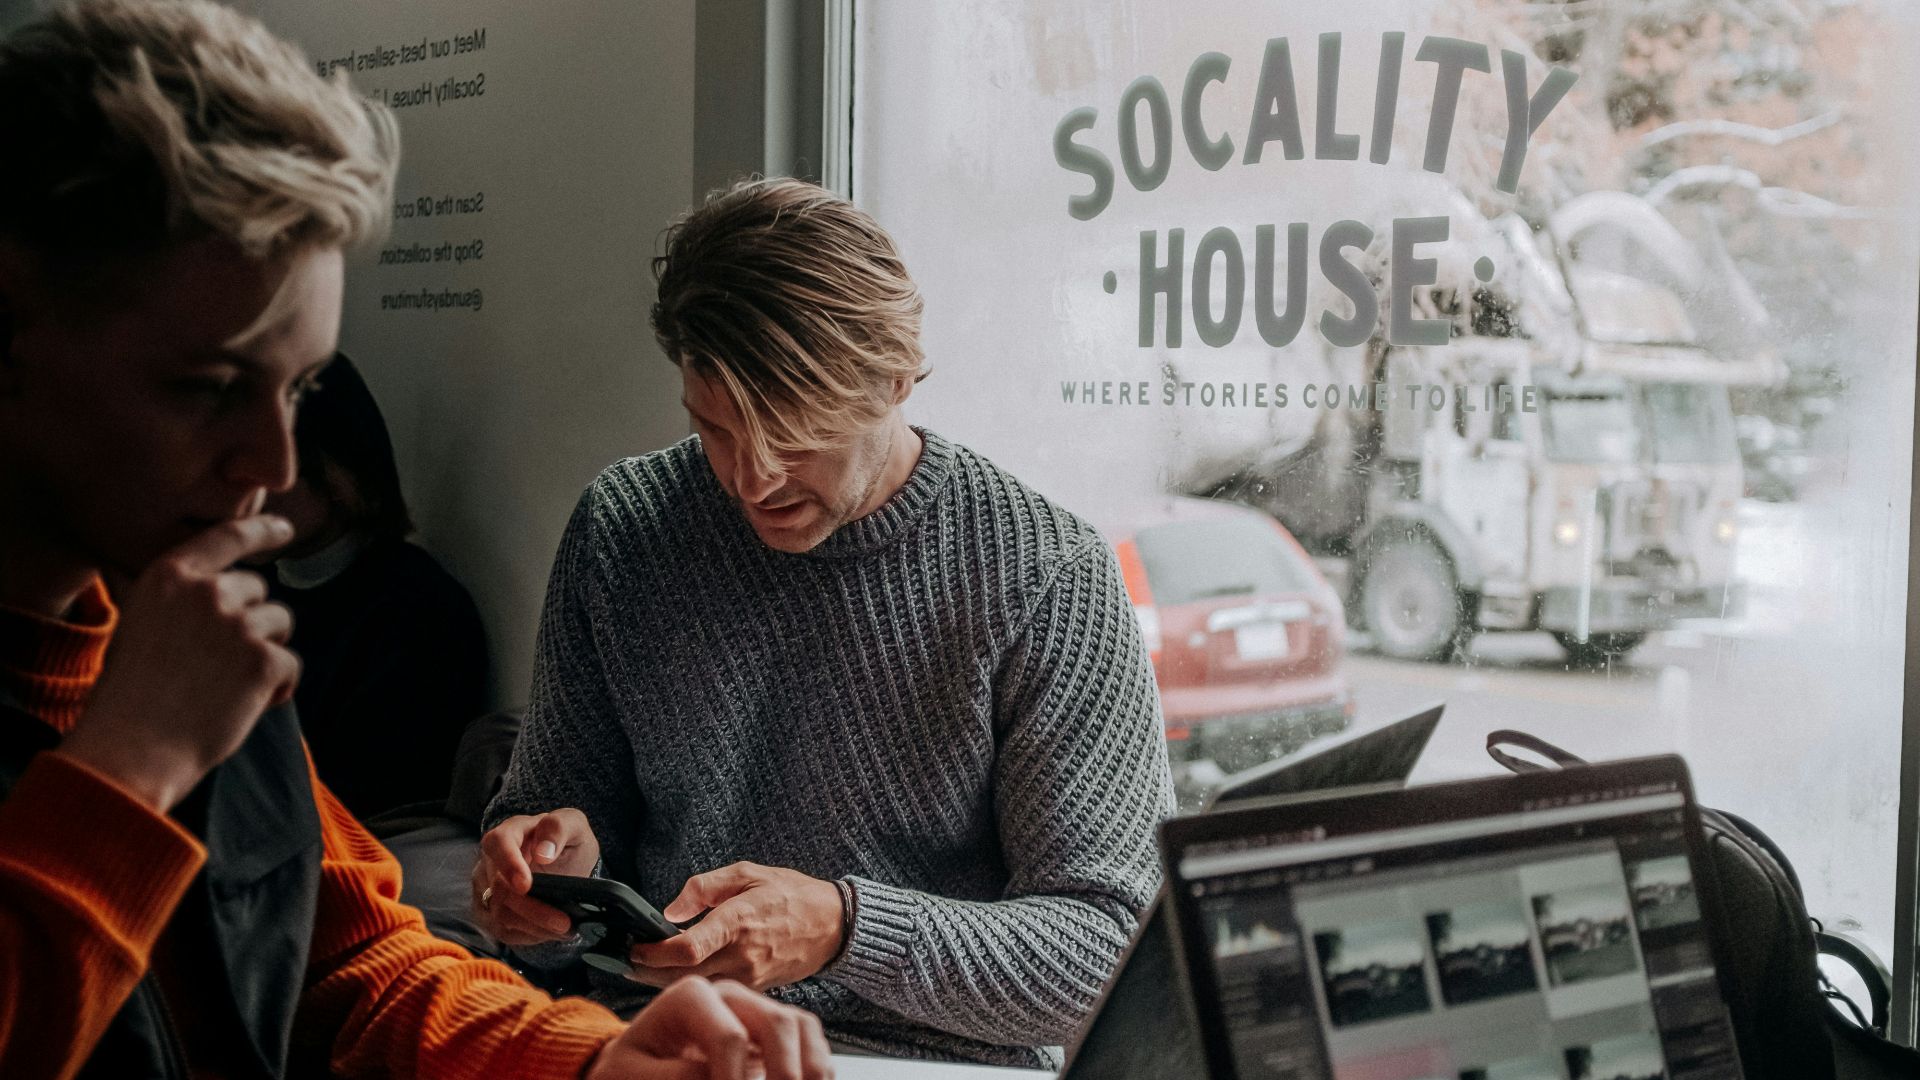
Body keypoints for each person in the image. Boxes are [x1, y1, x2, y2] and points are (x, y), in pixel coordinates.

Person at [0, 3, 830, 1078]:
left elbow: (363, 971)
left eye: (296, 389)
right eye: (205, 390)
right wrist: (132, 766)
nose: (273, 465)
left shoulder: (190, 641)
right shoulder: (172, 675)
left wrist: (598, 1064)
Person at [471, 177, 1175, 1069]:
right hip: (672, 1042)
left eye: (796, 433)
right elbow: (552, 861)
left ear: (897, 375)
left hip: (932, 1064)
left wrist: (846, 930)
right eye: (716, 429)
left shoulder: (1048, 575)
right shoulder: (626, 528)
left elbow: (1113, 952)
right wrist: (539, 882)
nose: (752, 479)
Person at [263, 351, 490, 820]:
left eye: (271, 465)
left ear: (335, 471)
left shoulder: (418, 613)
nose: (242, 486)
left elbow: (369, 808)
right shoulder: (236, 587)